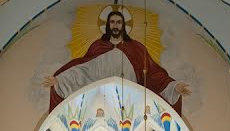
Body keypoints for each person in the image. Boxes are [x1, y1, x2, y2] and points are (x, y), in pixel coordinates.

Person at [43, 10, 190, 114]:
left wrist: (174, 87)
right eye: (112, 22)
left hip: (132, 103)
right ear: (107, 24)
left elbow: (153, 74)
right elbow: (82, 70)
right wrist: (59, 80)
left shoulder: (136, 48)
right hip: (96, 101)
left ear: (123, 25)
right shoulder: (98, 47)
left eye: (119, 22)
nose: (115, 25)